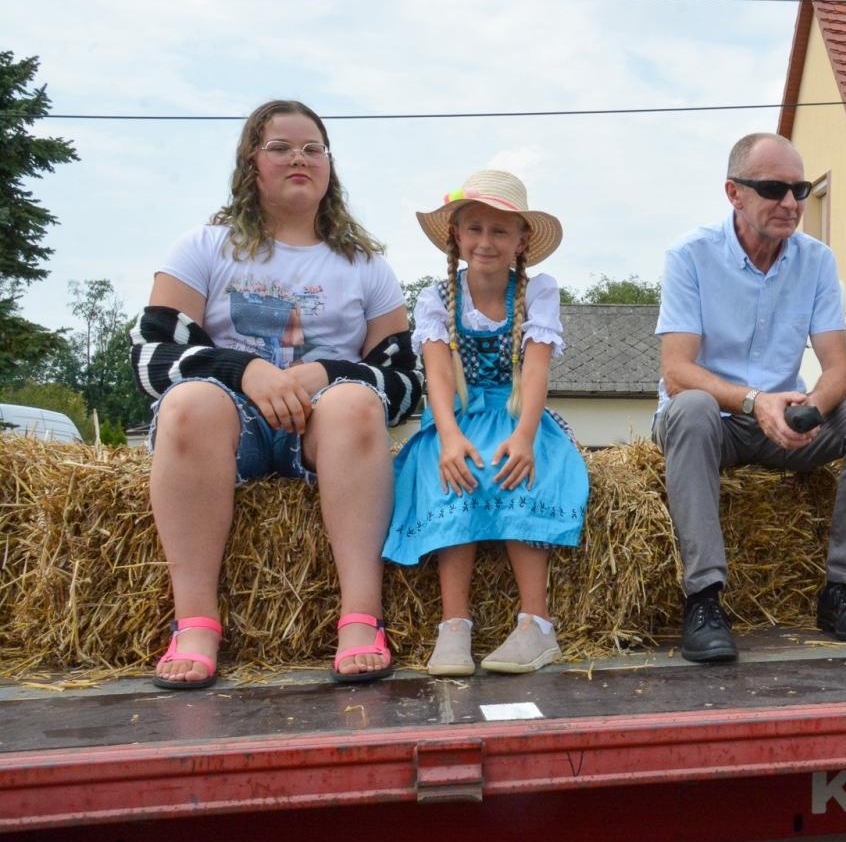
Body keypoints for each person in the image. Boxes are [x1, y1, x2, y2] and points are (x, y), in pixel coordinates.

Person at [131, 99, 423, 688]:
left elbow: (405, 382)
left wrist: (330, 372)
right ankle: (195, 622)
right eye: (281, 147)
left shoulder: (366, 266)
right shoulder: (204, 247)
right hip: (229, 422)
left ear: (330, 167)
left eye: (313, 148)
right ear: (250, 164)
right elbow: (152, 355)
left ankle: (361, 617)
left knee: (357, 402)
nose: (300, 158)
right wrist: (243, 370)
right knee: (188, 402)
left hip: (321, 430)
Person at [654, 132, 846, 664]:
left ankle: (842, 592)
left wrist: (809, 409)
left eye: (801, 189)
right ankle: (704, 599)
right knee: (693, 407)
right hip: (712, 423)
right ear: (733, 193)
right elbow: (677, 373)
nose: (792, 203)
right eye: (774, 188)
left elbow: (840, 368)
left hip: (781, 423)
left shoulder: (816, 261)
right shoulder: (689, 255)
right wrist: (753, 401)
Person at [384, 170, 590, 676]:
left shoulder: (538, 293)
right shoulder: (436, 299)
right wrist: (448, 439)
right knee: (453, 474)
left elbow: (536, 371)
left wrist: (524, 438)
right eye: (474, 229)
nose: (485, 242)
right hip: (458, 416)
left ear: (522, 241)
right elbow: (437, 377)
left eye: (500, 231)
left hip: (520, 414)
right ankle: (454, 624)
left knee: (519, 467)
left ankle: (536, 624)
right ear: (456, 235)